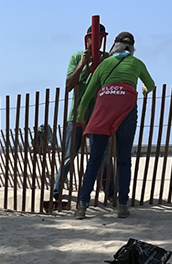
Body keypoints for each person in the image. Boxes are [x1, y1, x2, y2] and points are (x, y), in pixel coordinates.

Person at [74, 31, 155, 219]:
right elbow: (151, 84)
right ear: (132, 48)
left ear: (115, 46)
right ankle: (122, 205)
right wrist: (144, 88)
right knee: (124, 158)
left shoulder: (105, 65)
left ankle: (82, 207)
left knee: (94, 160)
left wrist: (80, 115)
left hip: (104, 111)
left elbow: (87, 95)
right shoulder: (136, 63)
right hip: (126, 110)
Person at [50, 24, 109, 207]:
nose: (97, 41)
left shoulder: (107, 58)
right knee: (69, 155)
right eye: (94, 37)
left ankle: (111, 191)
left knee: (104, 155)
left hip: (98, 116)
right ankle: (57, 191)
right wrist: (83, 64)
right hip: (76, 116)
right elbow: (68, 85)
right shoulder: (77, 57)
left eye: (101, 37)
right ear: (87, 38)